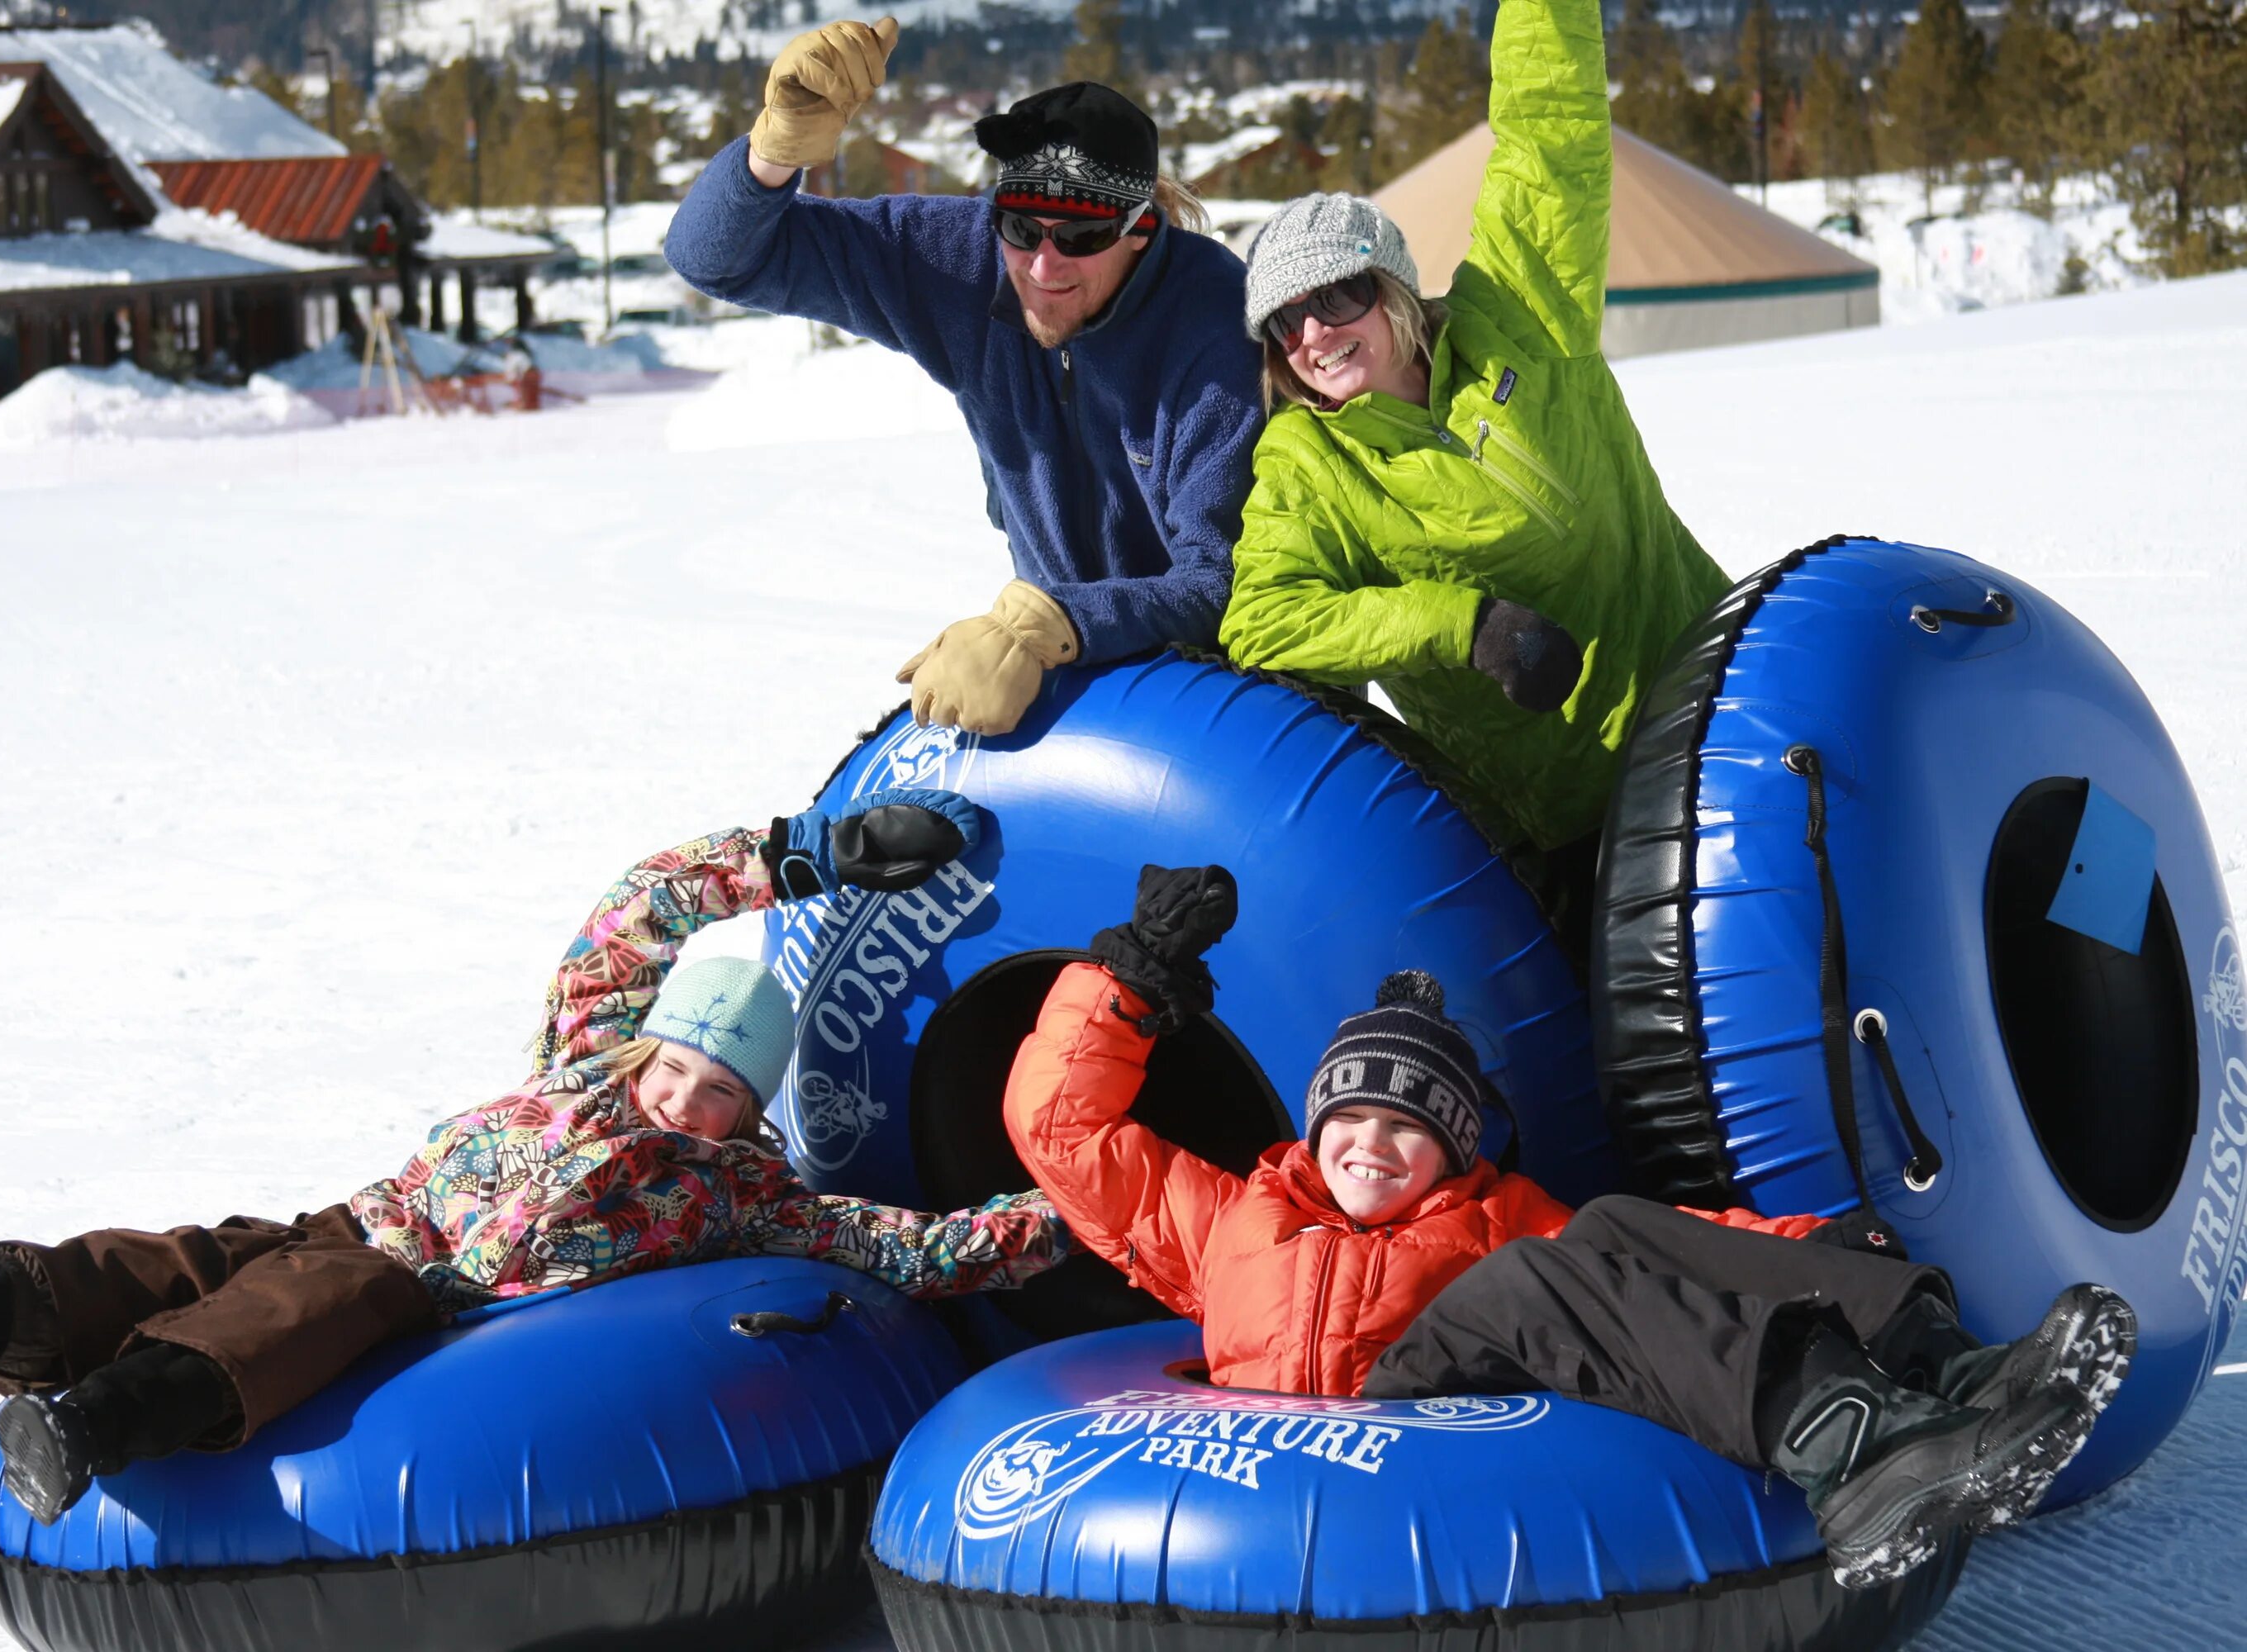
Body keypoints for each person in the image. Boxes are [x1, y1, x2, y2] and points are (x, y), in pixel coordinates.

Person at [0, 790, 1070, 1525]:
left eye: (721, 1096)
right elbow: (638, 915)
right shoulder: (584, 1054)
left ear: (750, 1123)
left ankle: (92, 1425)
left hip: (439, 1302)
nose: (685, 1100)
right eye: (679, 1069)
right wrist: (800, 858)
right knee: (170, 1261)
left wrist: (1078, 1203)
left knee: (309, 1309)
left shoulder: (739, 1196)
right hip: (366, 1215)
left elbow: (897, 1245)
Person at [1002, 865, 2135, 1588]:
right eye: (1350, 1115)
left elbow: (1665, 1253)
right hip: (1306, 1462)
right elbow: (1054, 1126)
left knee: (1605, 1226)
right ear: (1313, 1124)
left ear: (1454, 1146)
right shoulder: (1223, 1221)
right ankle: (1844, 1440)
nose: (1370, 1145)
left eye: (1408, 1127)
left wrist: (1818, 1253)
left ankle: (1941, 1373)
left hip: (1440, 1447)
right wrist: (1132, 978)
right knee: (1533, 1279)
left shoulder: (1495, 1218)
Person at [1214, 0, 1731, 941]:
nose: (1317, 333)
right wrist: (1463, 622)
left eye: (1339, 293)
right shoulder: (1307, 463)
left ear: (1396, 288)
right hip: (1577, 828)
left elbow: (1549, 140)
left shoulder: (1519, 316)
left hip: (1719, 710)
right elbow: (1264, 620)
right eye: (1287, 323)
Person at [664, 22, 1262, 736]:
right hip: (1062, 681)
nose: (1044, 268)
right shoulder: (958, 259)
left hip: (1227, 702)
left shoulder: (1216, 324)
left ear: (1142, 226)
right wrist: (773, 153)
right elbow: (711, 259)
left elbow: (1229, 582)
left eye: (1081, 239)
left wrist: (1054, 623)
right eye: (1020, 230)